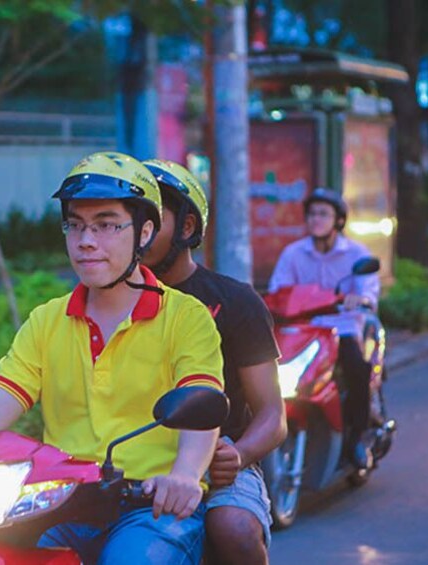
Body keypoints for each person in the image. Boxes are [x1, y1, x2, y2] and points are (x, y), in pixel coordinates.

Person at [0, 152, 225, 564]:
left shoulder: (185, 317)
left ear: (144, 232)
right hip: (60, 501)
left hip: (152, 507)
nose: (86, 240)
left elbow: (201, 401)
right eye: (75, 225)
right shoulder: (47, 320)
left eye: (106, 225)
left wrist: (184, 474)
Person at [141, 159, 284, 565]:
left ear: (186, 228)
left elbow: (273, 412)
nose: (138, 232)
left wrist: (237, 455)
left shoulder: (235, 301)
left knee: (234, 528)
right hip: (124, 460)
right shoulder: (103, 299)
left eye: (151, 219)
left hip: (218, 463)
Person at [267, 188, 380, 470]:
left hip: (342, 330)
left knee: (357, 368)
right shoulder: (293, 253)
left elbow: (369, 293)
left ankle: (358, 437)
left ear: (338, 220)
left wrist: (360, 299)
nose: (316, 219)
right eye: (312, 214)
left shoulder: (356, 253)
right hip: (305, 330)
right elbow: (278, 290)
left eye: (324, 214)